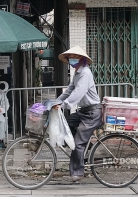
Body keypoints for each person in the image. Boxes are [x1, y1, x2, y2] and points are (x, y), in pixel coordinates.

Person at [54, 45, 102, 182]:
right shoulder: (78, 73)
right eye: (70, 57)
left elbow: (78, 93)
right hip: (84, 112)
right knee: (66, 123)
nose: (72, 59)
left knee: (77, 143)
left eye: (75, 57)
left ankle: (78, 172)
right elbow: (69, 91)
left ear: (81, 59)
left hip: (92, 113)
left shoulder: (85, 73)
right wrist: (56, 102)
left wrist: (64, 105)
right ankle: (88, 147)